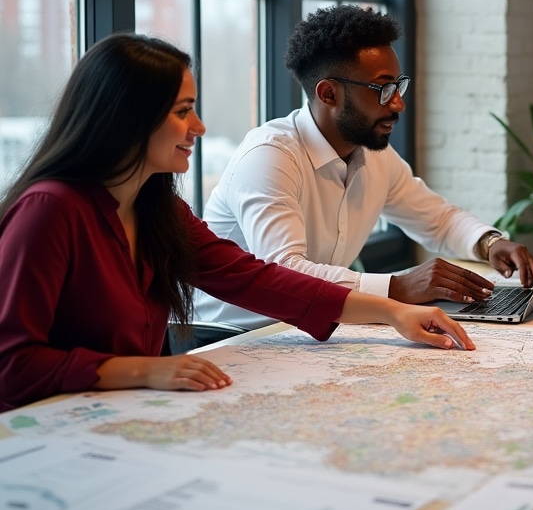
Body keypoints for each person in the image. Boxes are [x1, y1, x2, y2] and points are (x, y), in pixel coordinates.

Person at [0, 34, 474, 412]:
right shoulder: (49, 210)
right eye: (183, 111)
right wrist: (144, 370)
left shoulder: (158, 209)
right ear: (126, 119)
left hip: (117, 415)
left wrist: (394, 313)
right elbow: (12, 366)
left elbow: (254, 279)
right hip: (39, 433)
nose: (200, 127)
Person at [194, 5, 533, 330]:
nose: (399, 104)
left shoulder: (372, 152)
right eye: (383, 89)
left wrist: (490, 243)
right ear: (328, 94)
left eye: (398, 85)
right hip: (231, 338)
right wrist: (398, 287)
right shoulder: (269, 156)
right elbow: (286, 271)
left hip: (309, 332)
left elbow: (437, 218)